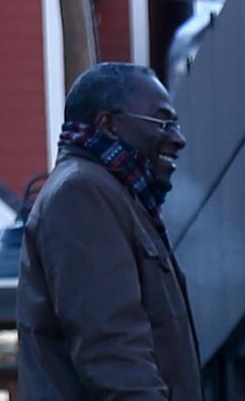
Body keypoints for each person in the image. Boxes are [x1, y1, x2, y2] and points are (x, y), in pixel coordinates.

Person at [20, 62, 203, 401]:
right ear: (108, 125)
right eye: (163, 122)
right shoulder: (82, 193)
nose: (178, 139)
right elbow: (113, 352)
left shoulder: (114, 197)